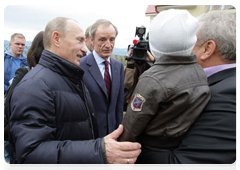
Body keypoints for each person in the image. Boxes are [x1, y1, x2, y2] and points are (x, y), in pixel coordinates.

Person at [9, 17, 141, 170]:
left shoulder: (70, 78)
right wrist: (98, 152)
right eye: (79, 41)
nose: (85, 49)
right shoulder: (34, 86)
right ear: (56, 39)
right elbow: (30, 154)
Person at [132, 11, 238, 170]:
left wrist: (134, 148)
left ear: (207, 49)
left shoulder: (229, 96)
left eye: (188, 43)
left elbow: (185, 166)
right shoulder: (215, 83)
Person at [119, 8, 211, 155]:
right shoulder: (200, 72)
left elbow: (133, 125)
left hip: (151, 152)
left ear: (154, 43)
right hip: (184, 148)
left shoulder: (152, 80)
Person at [80, 19, 124, 137]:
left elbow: (118, 105)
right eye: (102, 40)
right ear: (91, 40)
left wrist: (118, 132)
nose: (108, 45)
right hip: (90, 137)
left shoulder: (118, 66)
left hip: (113, 134)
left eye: (112, 40)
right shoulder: (80, 66)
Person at [4, 33, 29, 170]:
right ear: (10, 44)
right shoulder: (4, 59)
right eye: (18, 44)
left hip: (19, 101)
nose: (20, 47)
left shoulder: (27, 61)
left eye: (22, 44)